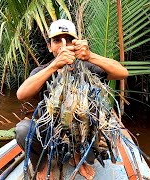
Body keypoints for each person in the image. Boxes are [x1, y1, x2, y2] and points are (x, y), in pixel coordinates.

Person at [15, 19, 128, 180]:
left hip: (81, 130)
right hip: (49, 132)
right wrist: (54, 66)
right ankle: (42, 164)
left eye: (69, 40)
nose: (64, 45)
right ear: (49, 46)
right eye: (57, 40)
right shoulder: (43, 70)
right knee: (22, 130)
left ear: (76, 43)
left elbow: (122, 72)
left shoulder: (87, 67)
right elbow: (21, 94)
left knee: (92, 113)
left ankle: (78, 156)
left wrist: (91, 56)